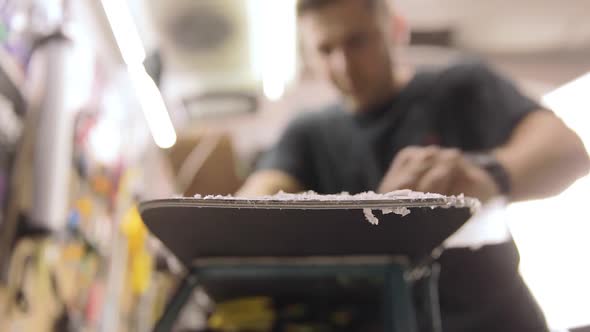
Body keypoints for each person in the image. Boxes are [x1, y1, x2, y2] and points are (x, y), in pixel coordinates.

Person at [237, 0, 590, 330]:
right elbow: (249, 212)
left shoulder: (461, 87)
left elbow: (567, 151)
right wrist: (377, 213)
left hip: (499, 319)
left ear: (395, 29)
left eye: (358, 41)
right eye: (325, 50)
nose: (343, 65)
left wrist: (485, 176)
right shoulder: (307, 134)